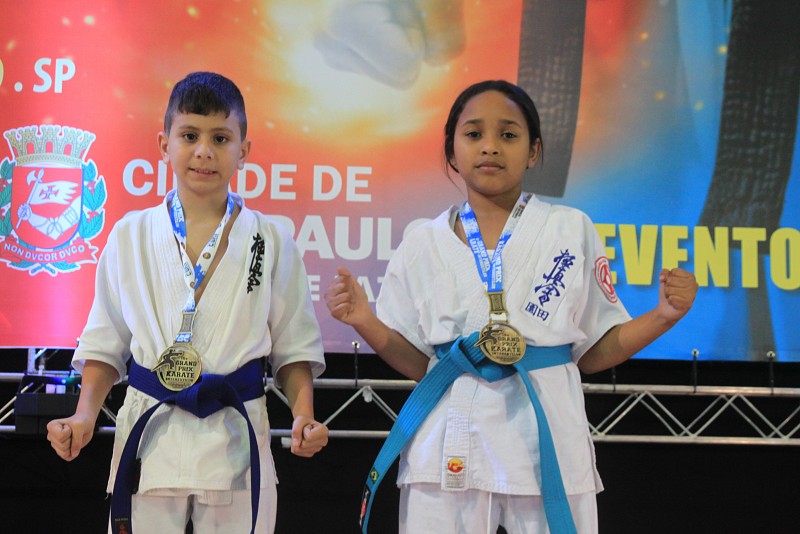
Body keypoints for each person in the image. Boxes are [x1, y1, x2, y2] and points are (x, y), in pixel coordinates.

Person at [325, 79, 698, 534]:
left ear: (533, 150)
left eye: (508, 134)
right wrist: (364, 320)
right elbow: (421, 364)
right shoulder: (422, 241)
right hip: (448, 440)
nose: (490, 147)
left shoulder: (569, 229)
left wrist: (663, 316)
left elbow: (594, 351)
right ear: (452, 150)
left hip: (547, 437)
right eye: (473, 134)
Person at [46, 71, 328, 534]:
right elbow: (106, 339)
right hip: (150, 435)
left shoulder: (272, 239)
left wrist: (304, 416)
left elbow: (293, 345)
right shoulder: (130, 235)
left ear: (244, 149)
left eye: (221, 138)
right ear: (164, 144)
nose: (204, 151)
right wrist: (84, 414)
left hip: (236, 438)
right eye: (190, 136)